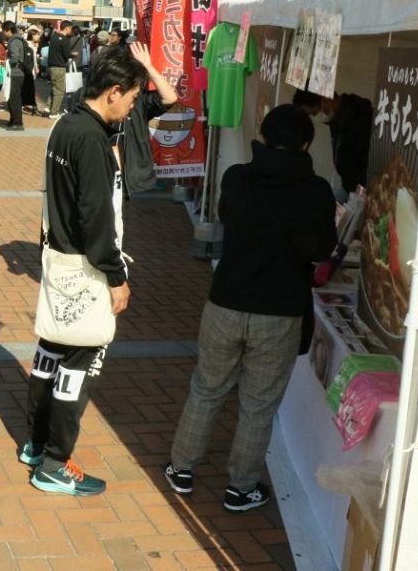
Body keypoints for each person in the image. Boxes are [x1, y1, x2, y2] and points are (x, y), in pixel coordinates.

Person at [166, 105, 337, 512]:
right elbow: (320, 250)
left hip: (226, 300)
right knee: (258, 404)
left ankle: (181, 468)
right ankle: (241, 486)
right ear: (307, 144)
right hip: (279, 312)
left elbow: (230, 219)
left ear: (260, 136)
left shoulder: (237, 177)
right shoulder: (316, 191)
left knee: (207, 388)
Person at [23, 49, 146, 496]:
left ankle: (36, 444)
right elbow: (95, 218)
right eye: (131, 97)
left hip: (58, 256)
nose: (132, 106)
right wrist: (116, 276)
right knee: (79, 362)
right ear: (113, 92)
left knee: (51, 352)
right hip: (84, 266)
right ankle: (54, 461)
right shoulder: (91, 140)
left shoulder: (64, 125)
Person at [116, 42, 178, 195]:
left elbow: (170, 98)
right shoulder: (100, 94)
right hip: (105, 174)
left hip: (133, 175)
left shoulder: (140, 98)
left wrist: (149, 66)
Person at [292, 89, 373, 199]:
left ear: (325, 100)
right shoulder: (337, 119)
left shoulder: (360, 118)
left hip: (364, 191)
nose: (315, 117)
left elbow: (366, 164)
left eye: (314, 113)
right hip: (350, 188)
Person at [3, 23, 32, 131]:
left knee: (14, 99)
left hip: (16, 73)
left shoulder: (14, 42)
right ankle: (12, 120)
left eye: (4, 31)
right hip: (19, 73)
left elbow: (15, 58)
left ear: (8, 30)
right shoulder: (19, 39)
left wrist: (5, 61)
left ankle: (18, 123)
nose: (4, 34)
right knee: (12, 98)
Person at [46, 23, 74, 118]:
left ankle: (48, 107)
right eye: (71, 29)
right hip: (59, 67)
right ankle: (54, 112)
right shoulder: (65, 40)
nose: (71, 31)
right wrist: (73, 54)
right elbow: (67, 54)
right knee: (59, 91)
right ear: (67, 28)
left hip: (51, 67)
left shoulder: (54, 37)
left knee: (54, 88)